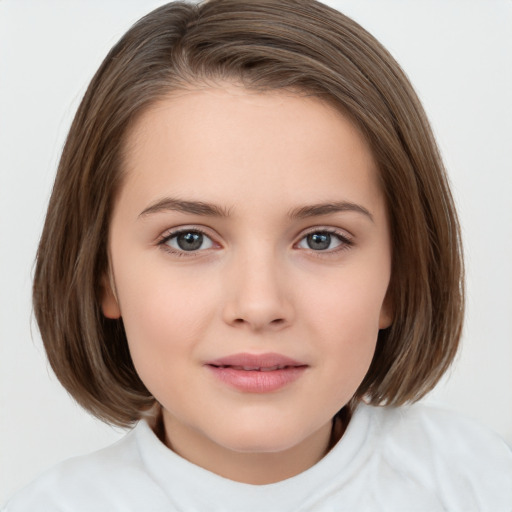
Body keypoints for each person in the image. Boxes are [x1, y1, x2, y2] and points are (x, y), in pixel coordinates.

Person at [3, 0, 511, 510]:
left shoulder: (478, 482)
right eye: (189, 239)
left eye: (321, 239)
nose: (260, 304)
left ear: (398, 279)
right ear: (104, 275)